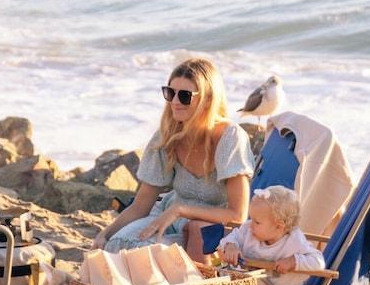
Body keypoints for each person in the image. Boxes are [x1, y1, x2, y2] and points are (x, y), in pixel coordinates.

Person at [92, 57, 251, 262]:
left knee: (149, 257)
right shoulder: (167, 136)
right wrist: (105, 233)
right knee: (118, 244)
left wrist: (181, 209)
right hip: (170, 217)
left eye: (184, 96)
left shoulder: (229, 138)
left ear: (208, 99)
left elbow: (238, 215)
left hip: (213, 230)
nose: (175, 101)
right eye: (170, 92)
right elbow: (141, 205)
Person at [213, 186, 326, 285]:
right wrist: (231, 246)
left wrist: (293, 261)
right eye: (251, 219)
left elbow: (318, 261)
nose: (250, 225)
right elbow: (232, 237)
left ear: (279, 226)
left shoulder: (294, 241)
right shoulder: (248, 230)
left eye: (257, 222)